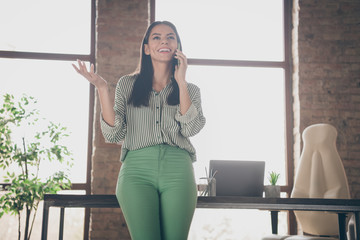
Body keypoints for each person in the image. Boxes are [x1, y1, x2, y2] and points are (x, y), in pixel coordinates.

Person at [72, 21, 206, 240]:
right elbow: (114, 134)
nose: (164, 40)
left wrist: (181, 82)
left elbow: (191, 127)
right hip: (136, 172)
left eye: (170, 36)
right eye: (156, 37)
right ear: (146, 48)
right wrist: (102, 88)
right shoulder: (127, 85)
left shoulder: (190, 90)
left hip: (178, 170)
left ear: (178, 46)